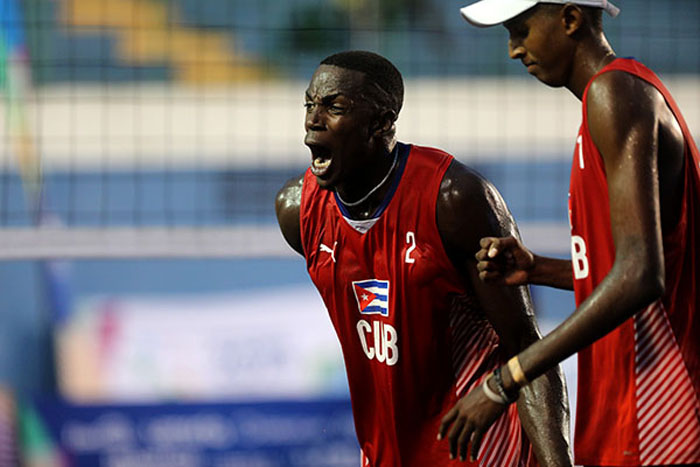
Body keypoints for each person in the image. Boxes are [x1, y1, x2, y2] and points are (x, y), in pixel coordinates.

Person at [275, 50, 572, 466]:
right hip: (387, 454)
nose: (313, 119)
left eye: (335, 107)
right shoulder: (297, 211)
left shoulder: (455, 199)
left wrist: (556, 463)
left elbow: (525, 346)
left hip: (484, 451)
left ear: (382, 124)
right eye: (310, 104)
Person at [449, 1, 700, 466]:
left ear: (569, 19)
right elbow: (643, 263)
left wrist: (508, 378)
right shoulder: (613, 99)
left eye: (520, 30)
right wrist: (539, 268)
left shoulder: (615, 93)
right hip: (633, 405)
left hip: (661, 410)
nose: (513, 49)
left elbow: (642, 275)